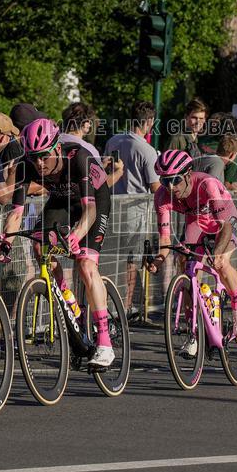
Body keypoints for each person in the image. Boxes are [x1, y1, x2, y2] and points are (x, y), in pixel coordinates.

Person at [0, 118, 116, 369]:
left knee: (86, 264)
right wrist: (6, 242)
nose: (39, 163)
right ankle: (67, 299)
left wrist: (76, 236)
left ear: (57, 148)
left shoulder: (79, 158)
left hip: (93, 202)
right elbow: (16, 212)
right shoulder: (29, 165)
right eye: (34, 156)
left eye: (44, 156)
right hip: (61, 200)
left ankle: (104, 342)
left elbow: (89, 210)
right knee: (39, 246)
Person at [147, 149, 237, 349]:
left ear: (187, 174)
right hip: (197, 221)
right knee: (186, 265)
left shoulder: (207, 184)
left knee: (220, 261)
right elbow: (165, 238)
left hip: (224, 219)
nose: (170, 187)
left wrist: (217, 252)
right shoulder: (161, 196)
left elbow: (225, 226)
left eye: (175, 180)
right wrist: (159, 259)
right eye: (164, 180)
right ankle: (193, 331)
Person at [104, 100, 160, 318]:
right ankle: (125, 308)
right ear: (149, 122)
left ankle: (107, 304)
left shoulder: (113, 141)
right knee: (131, 261)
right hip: (135, 211)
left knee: (110, 260)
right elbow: (155, 186)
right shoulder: (146, 150)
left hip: (111, 206)